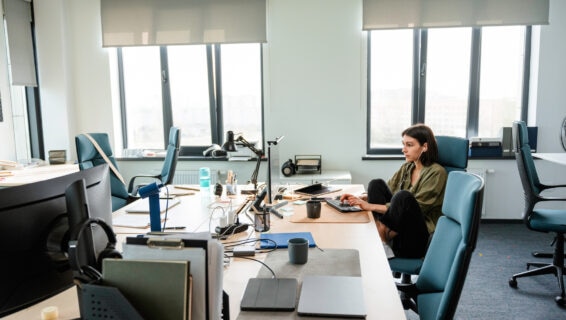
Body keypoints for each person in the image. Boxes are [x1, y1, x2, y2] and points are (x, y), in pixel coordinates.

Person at [340, 124, 447, 259]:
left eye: (409, 145)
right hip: (397, 231)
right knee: (376, 184)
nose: (404, 150)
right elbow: (389, 190)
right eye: (403, 144)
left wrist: (370, 206)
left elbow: (416, 207)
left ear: (424, 147)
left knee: (403, 196)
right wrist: (359, 199)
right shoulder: (407, 167)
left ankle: (381, 235)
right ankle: (381, 234)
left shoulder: (437, 172)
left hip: (414, 239)